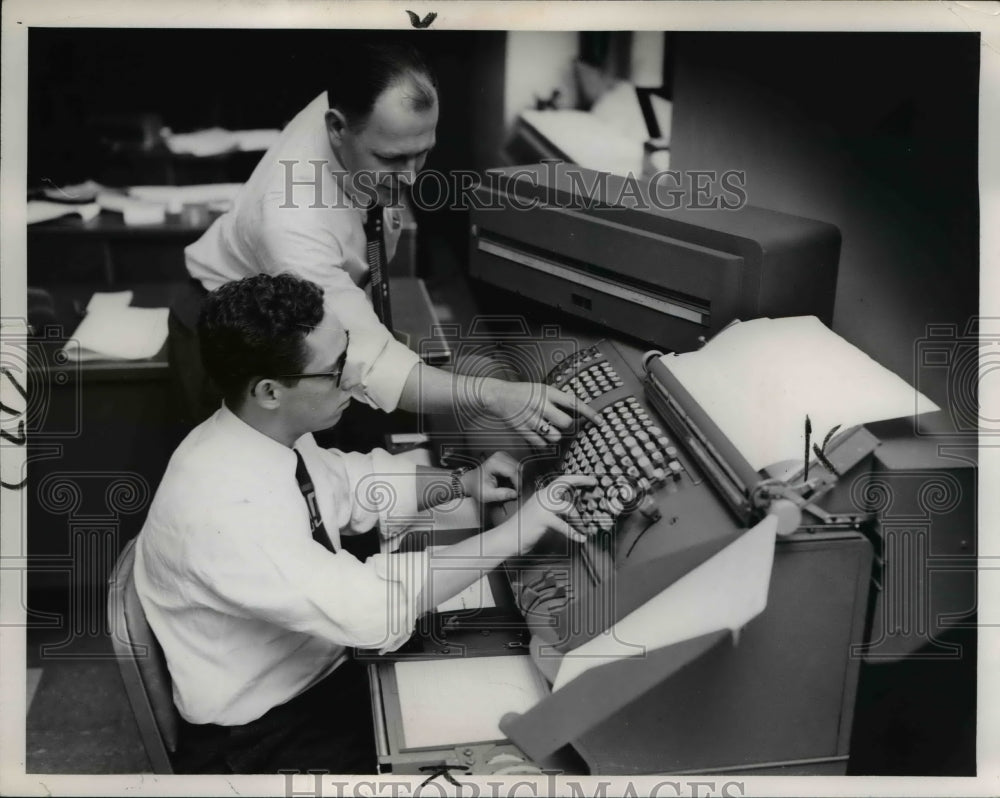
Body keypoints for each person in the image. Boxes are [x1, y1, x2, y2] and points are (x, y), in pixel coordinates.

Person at [136, 273, 594, 774]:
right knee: (510, 764)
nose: (355, 379)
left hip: (313, 670)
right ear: (269, 390)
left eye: (347, 355)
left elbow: (355, 486)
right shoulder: (223, 507)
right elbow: (370, 611)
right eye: (334, 372)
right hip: (265, 734)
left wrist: (463, 483)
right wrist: (516, 533)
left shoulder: (261, 436)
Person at [170, 41, 599, 447]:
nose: (412, 177)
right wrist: (494, 394)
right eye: (392, 159)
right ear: (336, 127)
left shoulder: (362, 111)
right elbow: (368, 361)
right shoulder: (291, 218)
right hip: (240, 340)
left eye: (423, 152)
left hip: (307, 323)